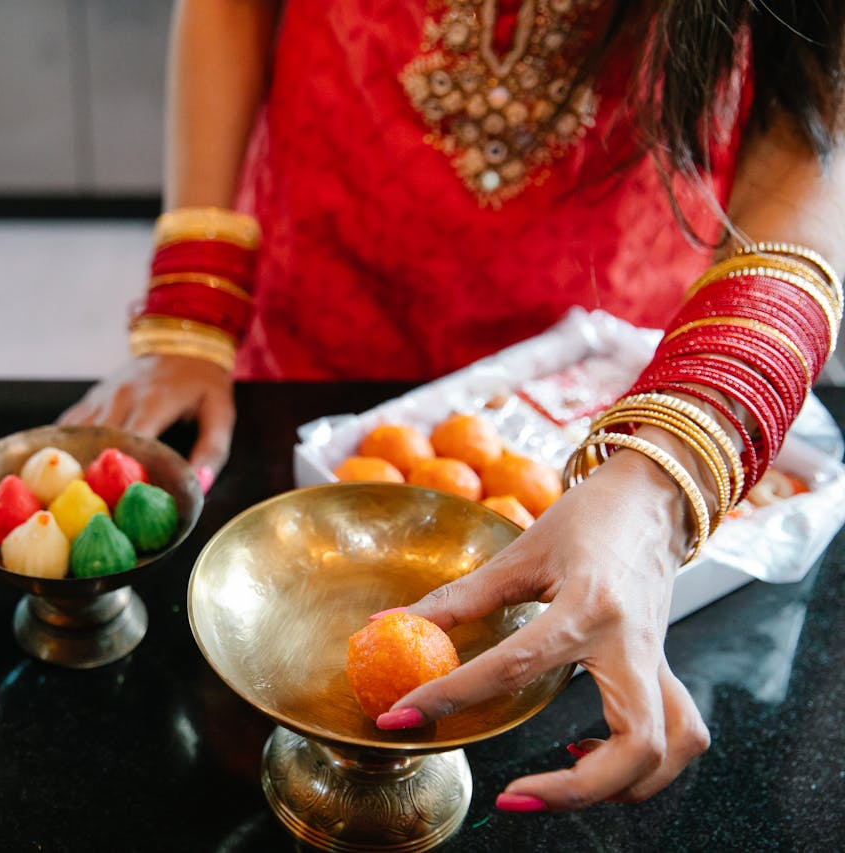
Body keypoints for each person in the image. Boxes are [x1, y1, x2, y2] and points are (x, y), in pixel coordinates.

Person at [61, 0, 845, 813]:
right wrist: (193, 307)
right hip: (324, 311)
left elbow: (812, 127)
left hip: (599, 385)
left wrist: (665, 475)